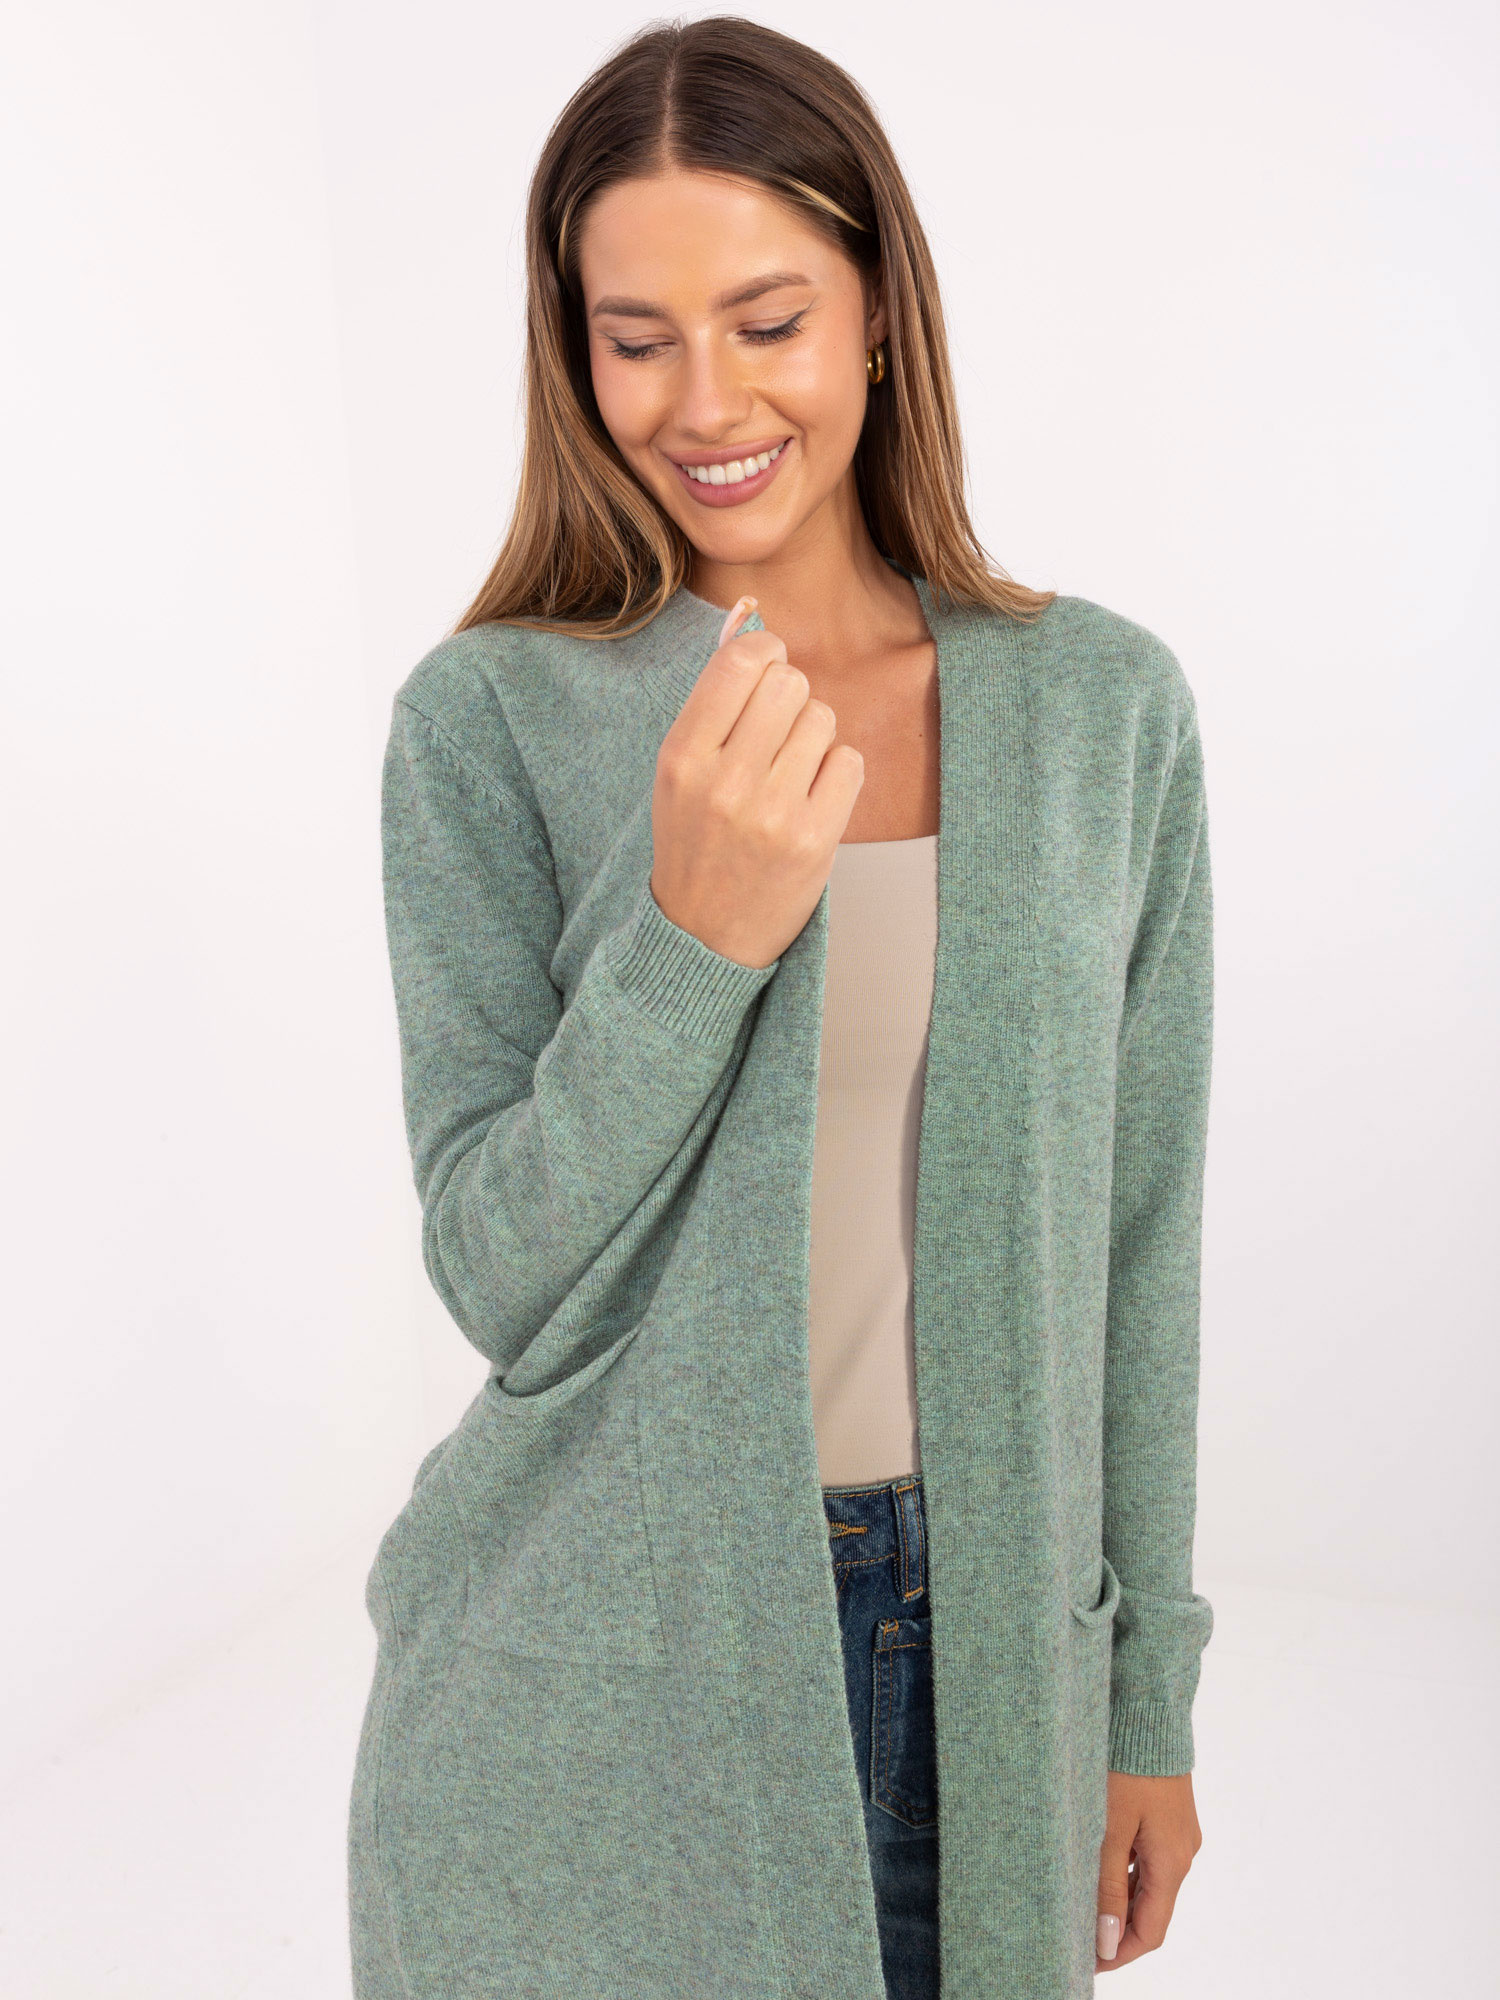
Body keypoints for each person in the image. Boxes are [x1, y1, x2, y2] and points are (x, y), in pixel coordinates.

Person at [348, 18, 1213, 2000]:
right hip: (596, 1673)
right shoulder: (489, 720)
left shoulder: (1104, 713)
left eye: (767, 319)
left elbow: (1141, 1237)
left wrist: (1146, 1692)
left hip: (997, 1651)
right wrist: (695, 936)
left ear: (880, 315)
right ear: (571, 353)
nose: (706, 399)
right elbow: (494, 1271)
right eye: (635, 336)